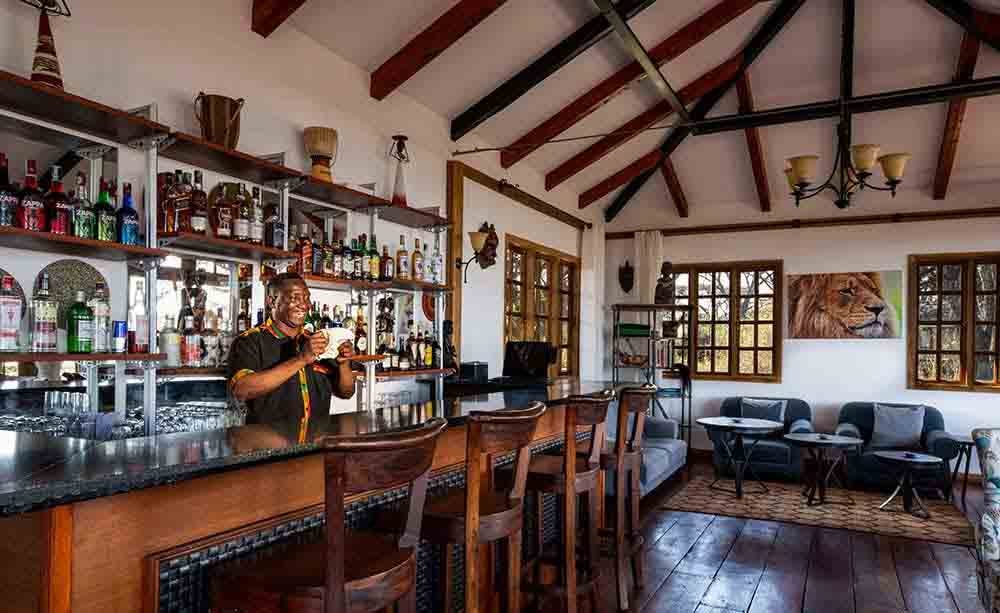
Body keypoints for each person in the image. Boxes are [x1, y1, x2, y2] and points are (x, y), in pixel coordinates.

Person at [228, 272, 355, 436]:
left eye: (306, 298)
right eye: (295, 298)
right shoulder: (249, 341)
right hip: (268, 450)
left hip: (315, 446)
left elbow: (346, 393)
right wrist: (301, 359)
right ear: (272, 301)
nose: (304, 305)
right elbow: (241, 389)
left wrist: (344, 363)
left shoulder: (317, 340)